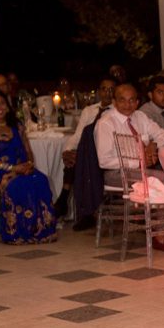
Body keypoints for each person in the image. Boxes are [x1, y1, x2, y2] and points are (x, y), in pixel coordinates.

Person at [0, 91, 57, 244]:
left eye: (2, 103)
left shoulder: (17, 124)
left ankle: (40, 230)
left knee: (40, 179)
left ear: (7, 105)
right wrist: (11, 168)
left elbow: (28, 150)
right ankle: (17, 232)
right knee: (18, 184)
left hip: (19, 166)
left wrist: (29, 164)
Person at [60, 76, 116, 224]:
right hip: (85, 151)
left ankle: (65, 198)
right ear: (99, 91)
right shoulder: (89, 110)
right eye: (104, 89)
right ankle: (83, 211)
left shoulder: (116, 111)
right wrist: (67, 150)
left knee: (81, 159)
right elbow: (78, 134)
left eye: (111, 89)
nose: (107, 93)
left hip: (102, 153)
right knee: (74, 157)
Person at [95, 83, 164, 188]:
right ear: (114, 102)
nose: (127, 105)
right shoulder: (106, 123)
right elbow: (104, 161)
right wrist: (138, 163)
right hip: (116, 173)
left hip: (143, 169)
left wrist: (154, 144)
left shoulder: (140, 116)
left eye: (131, 100)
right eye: (122, 100)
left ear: (137, 103)